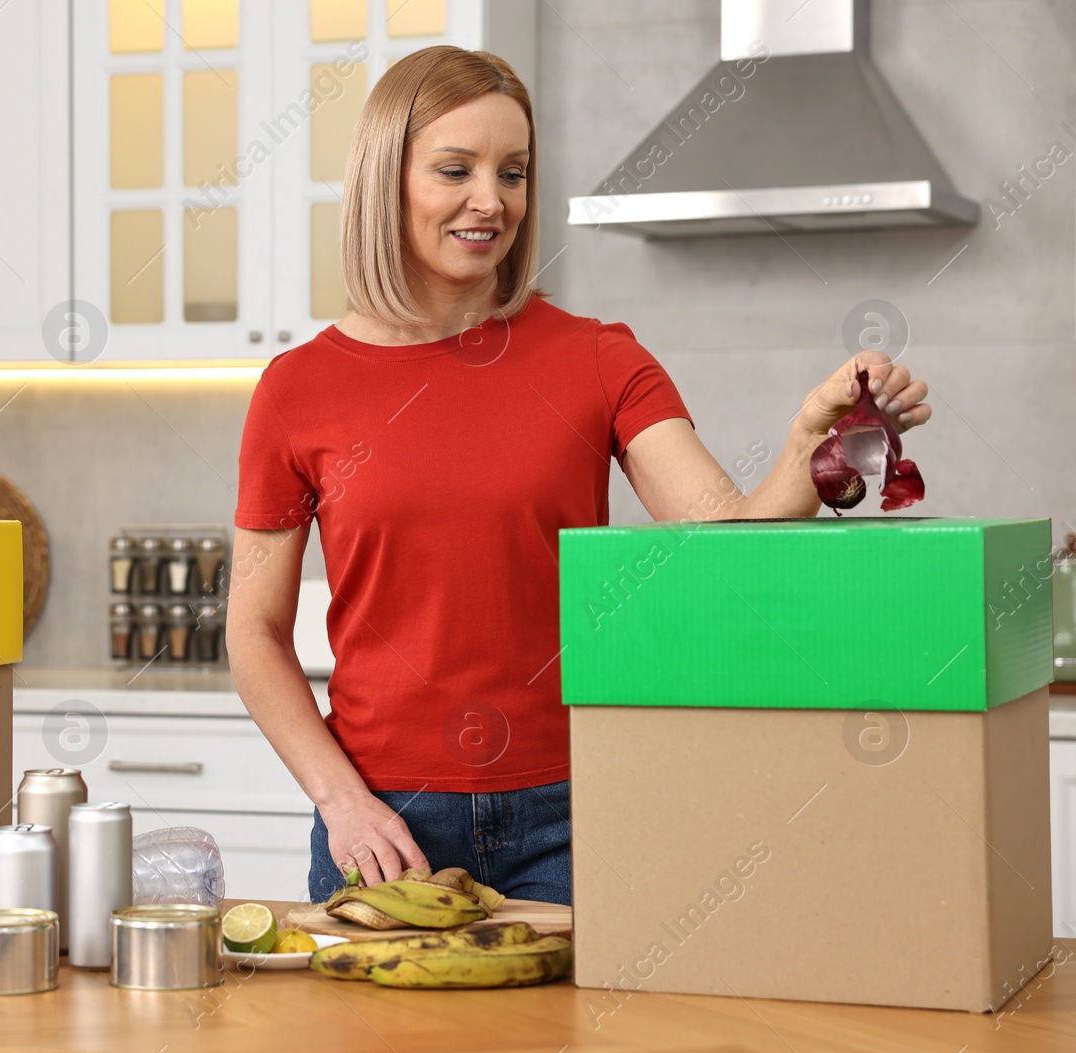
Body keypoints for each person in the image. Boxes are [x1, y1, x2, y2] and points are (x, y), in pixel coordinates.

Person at [224, 46, 931, 905]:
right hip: (385, 827)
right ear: (385, 180)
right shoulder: (298, 391)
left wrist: (807, 447)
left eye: (514, 172)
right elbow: (254, 633)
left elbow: (728, 549)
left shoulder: (596, 358)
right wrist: (343, 803)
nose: (493, 200)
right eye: (457, 169)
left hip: (574, 812)